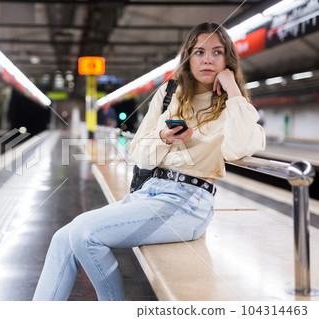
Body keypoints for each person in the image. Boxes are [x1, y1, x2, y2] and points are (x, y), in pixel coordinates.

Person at [33, 22, 265, 301]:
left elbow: (239, 148)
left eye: (217, 53)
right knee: (62, 239)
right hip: (150, 191)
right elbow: (138, 153)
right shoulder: (170, 94)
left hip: (188, 202)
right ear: (188, 58)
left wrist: (233, 90)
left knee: (85, 233)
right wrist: (164, 137)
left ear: (228, 60)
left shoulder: (233, 106)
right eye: (199, 52)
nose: (207, 60)